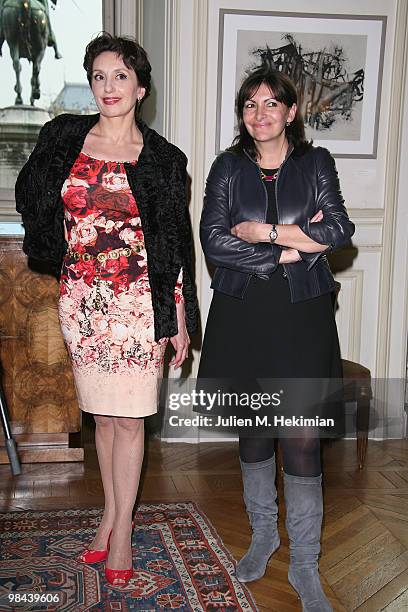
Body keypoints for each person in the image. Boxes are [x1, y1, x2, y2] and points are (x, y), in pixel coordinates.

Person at [15, 32, 198, 587]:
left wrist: (181, 320)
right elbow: (32, 195)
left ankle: (120, 531)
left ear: (140, 87)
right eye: (98, 76)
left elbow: (173, 245)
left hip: (138, 305)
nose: (108, 86)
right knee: (102, 416)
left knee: (130, 418)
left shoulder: (163, 159)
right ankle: (109, 517)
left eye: (120, 75)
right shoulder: (65, 137)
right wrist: (54, 238)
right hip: (83, 303)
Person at [198, 67, 354, 611]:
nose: (260, 113)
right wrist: (290, 247)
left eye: (271, 103)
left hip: (302, 317)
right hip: (241, 314)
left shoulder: (316, 164)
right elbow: (214, 242)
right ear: (242, 113)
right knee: (255, 430)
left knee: (302, 437)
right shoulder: (226, 168)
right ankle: (264, 538)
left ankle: (305, 565)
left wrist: (266, 234)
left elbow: (338, 230)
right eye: (249, 104)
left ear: (290, 112)